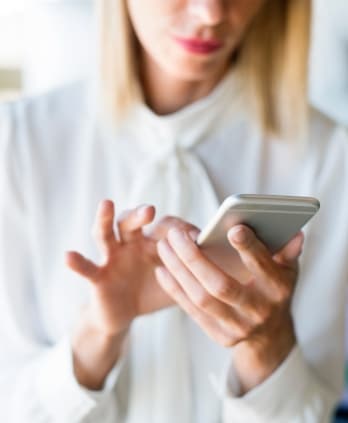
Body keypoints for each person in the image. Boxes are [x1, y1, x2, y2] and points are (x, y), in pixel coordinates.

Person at [0, 0, 347, 422]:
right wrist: (98, 332)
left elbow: (314, 412)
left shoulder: (330, 158)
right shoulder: (18, 144)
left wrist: (265, 347)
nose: (211, 13)